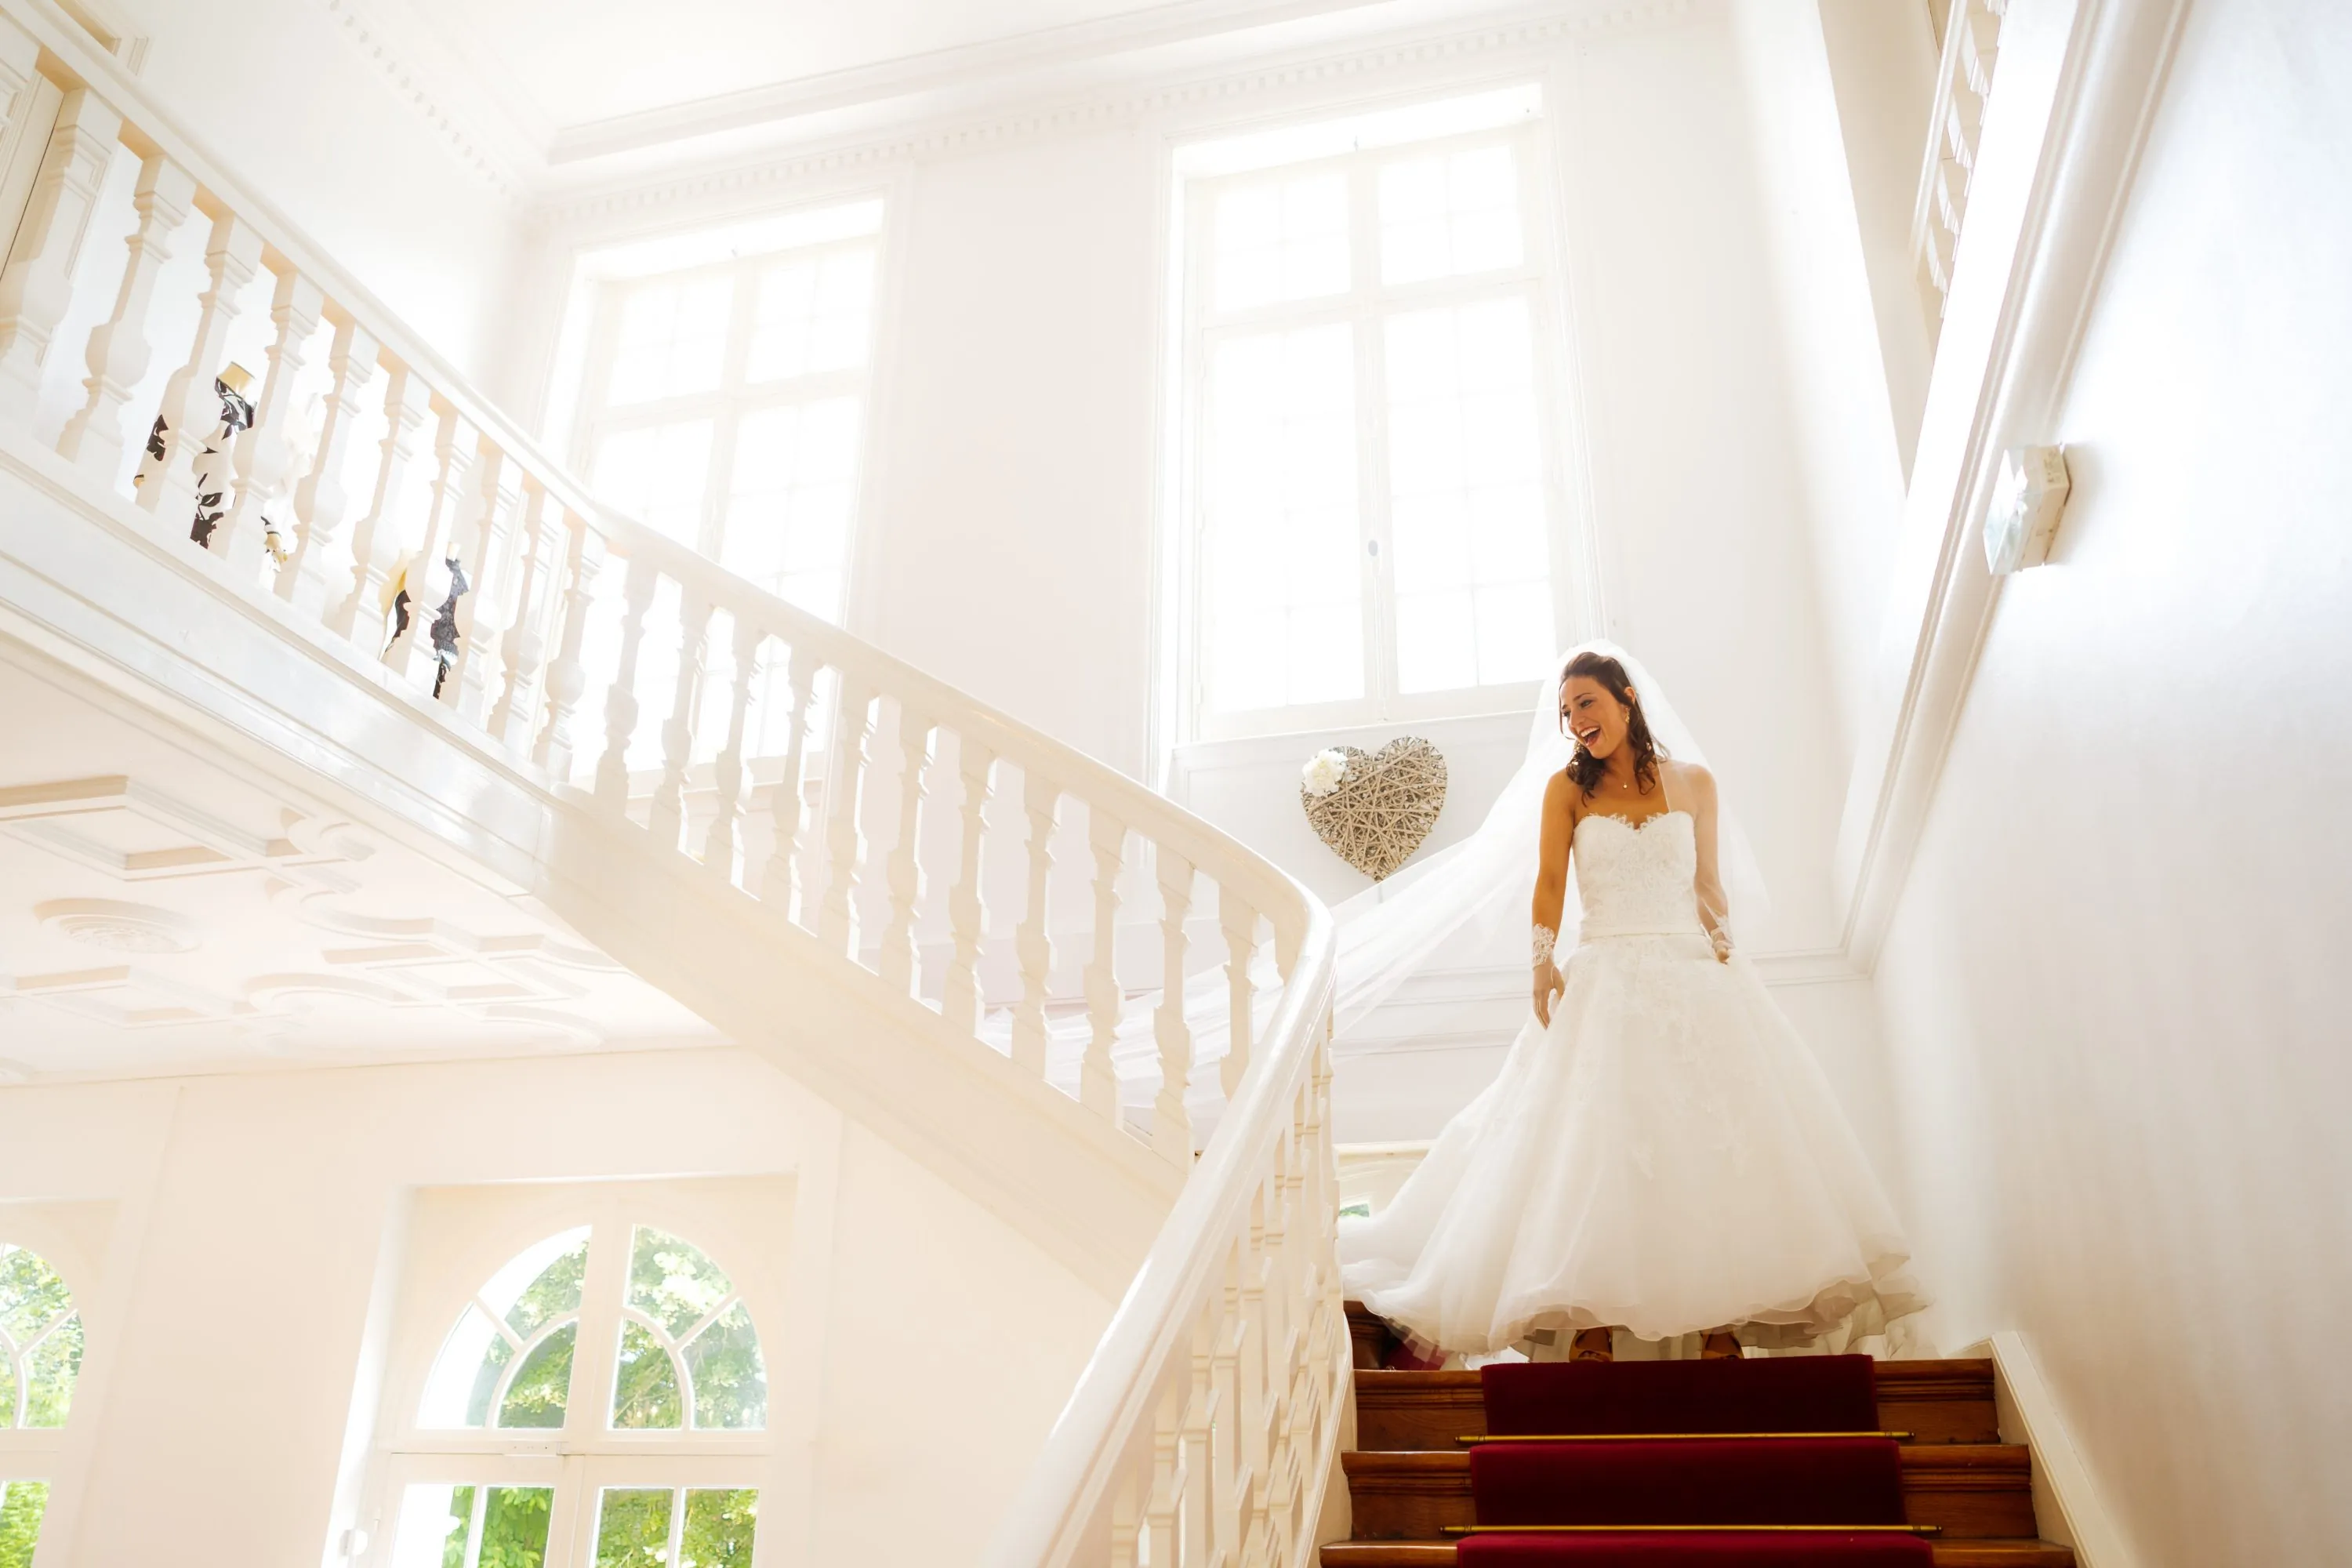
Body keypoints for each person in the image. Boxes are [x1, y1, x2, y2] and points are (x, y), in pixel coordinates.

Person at [1338, 648, 1922, 1362]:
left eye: (1585, 703)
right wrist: (1540, 962)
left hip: (1690, 970)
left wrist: (1727, 949)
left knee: (1713, 1139)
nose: (1575, 721)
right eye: (1566, 712)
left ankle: (1721, 1322)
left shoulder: (1696, 783)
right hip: (1606, 970)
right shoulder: (1567, 791)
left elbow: (1708, 883)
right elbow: (1550, 881)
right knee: (1595, 1144)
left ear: (1626, 699)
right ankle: (1590, 1322)